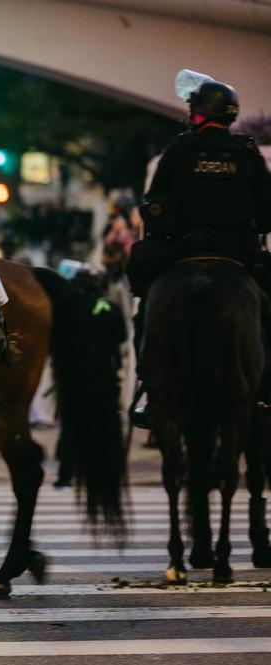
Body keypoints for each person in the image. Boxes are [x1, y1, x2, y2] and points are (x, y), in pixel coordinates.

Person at [127, 76, 271, 427]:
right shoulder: (248, 154)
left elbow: (155, 204)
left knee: (146, 308)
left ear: (201, 112)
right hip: (239, 255)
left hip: (182, 252)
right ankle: (265, 393)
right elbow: (267, 211)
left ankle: (150, 387)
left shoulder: (179, 151)